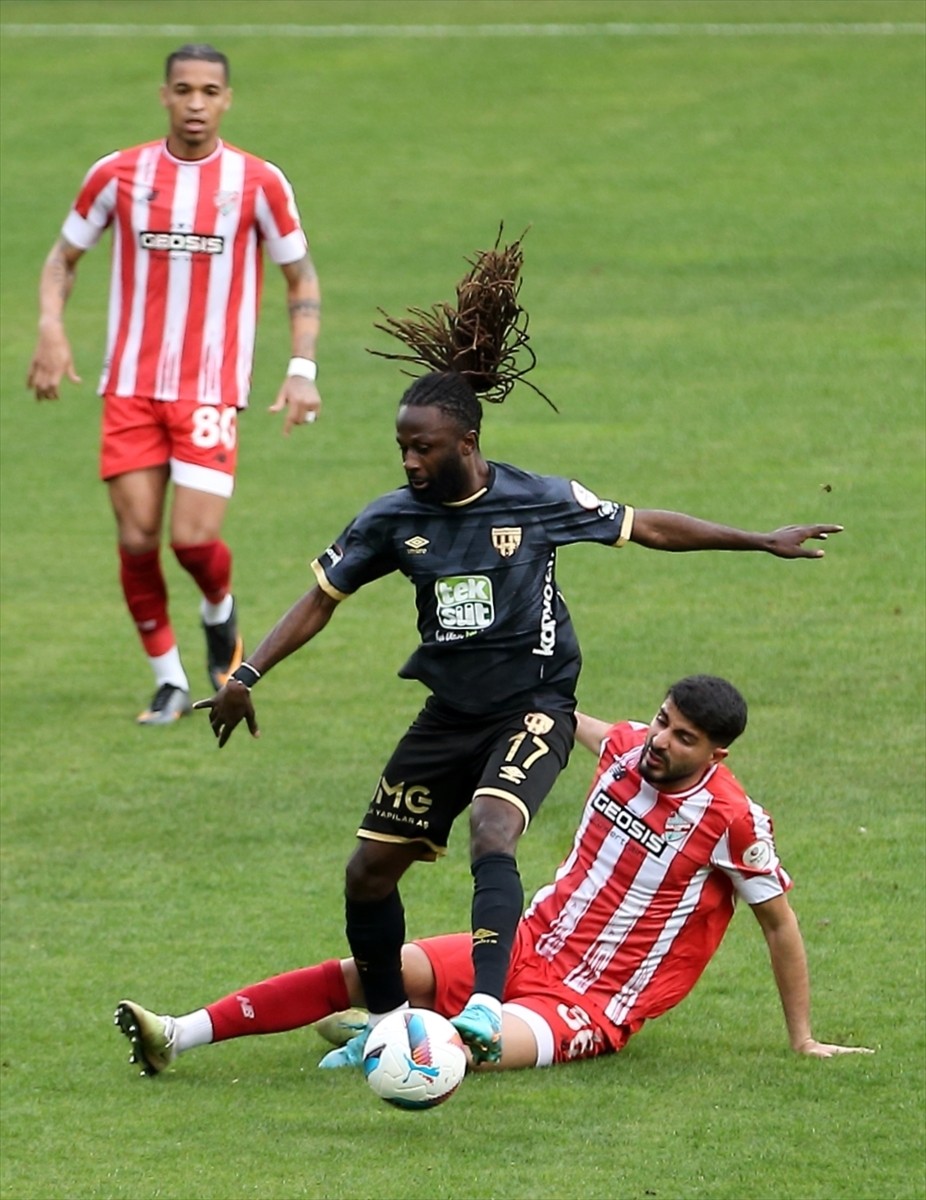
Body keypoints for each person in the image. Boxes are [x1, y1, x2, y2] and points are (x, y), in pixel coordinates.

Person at [194, 233, 842, 1066]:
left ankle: (487, 1007)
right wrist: (247, 674)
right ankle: (392, 1027)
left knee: (494, 832)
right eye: (402, 446)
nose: (409, 460)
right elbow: (322, 600)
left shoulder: (537, 500)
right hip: (449, 711)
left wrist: (758, 540)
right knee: (366, 875)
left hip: (534, 703)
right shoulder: (393, 518)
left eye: (422, 446)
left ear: (466, 443)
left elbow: (645, 526)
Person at [115, 675, 872, 1076]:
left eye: (684, 738)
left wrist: (801, 1039)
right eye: (664, 721)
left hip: (593, 1003)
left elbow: (779, 924)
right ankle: (176, 1034)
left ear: (716, 754)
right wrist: (523, 686)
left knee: (456, 1054)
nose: (660, 742)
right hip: (524, 946)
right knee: (369, 967)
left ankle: (382, 1037)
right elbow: (574, 721)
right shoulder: (627, 748)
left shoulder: (734, 821)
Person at [26, 43, 322, 725]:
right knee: (136, 540)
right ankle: (167, 679)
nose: (195, 104)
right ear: (164, 95)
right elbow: (63, 258)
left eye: (208, 92)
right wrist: (51, 326)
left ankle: (219, 611)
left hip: (210, 391)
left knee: (191, 542)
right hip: (130, 387)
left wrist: (301, 370)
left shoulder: (257, 182)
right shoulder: (117, 174)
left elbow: (300, 276)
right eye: (183, 90)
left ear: (226, 100)